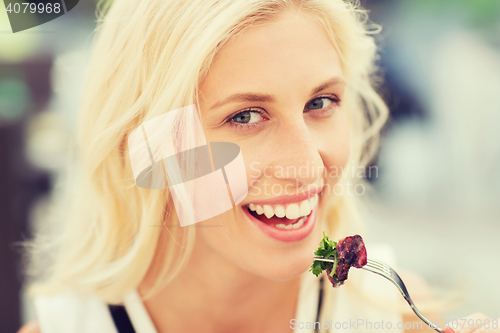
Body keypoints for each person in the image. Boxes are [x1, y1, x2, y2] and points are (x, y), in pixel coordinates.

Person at [18, 0, 498, 332]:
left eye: (320, 102)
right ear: (149, 148)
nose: (308, 164)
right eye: (245, 116)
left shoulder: (398, 318)